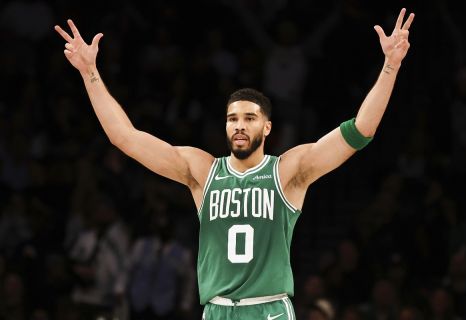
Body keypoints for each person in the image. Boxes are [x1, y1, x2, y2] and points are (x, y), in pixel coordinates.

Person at [54, 7, 414, 320]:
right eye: (232, 118)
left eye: (249, 118)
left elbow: (361, 130)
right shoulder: (201, 170)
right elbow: (125, 138)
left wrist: (390, 67)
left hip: (269, 308)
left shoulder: (288, 171)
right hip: (217, 309)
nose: (239, 125)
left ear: (267, 126)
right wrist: (90, 73)